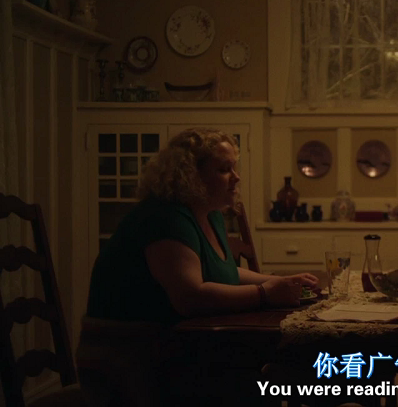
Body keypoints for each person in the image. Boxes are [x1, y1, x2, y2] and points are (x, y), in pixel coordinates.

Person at [78, 127, 318, 406]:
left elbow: (222, 272)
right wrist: (265, 293)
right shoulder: (165, 216)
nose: (236, 176)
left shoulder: (209, 214)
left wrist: (278, 281)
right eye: (224, 169)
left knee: (264, 374)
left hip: (175, 342)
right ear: (189, 175)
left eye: (234, 167)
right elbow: (190, 298)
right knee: (256, 383)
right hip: (128, 352)